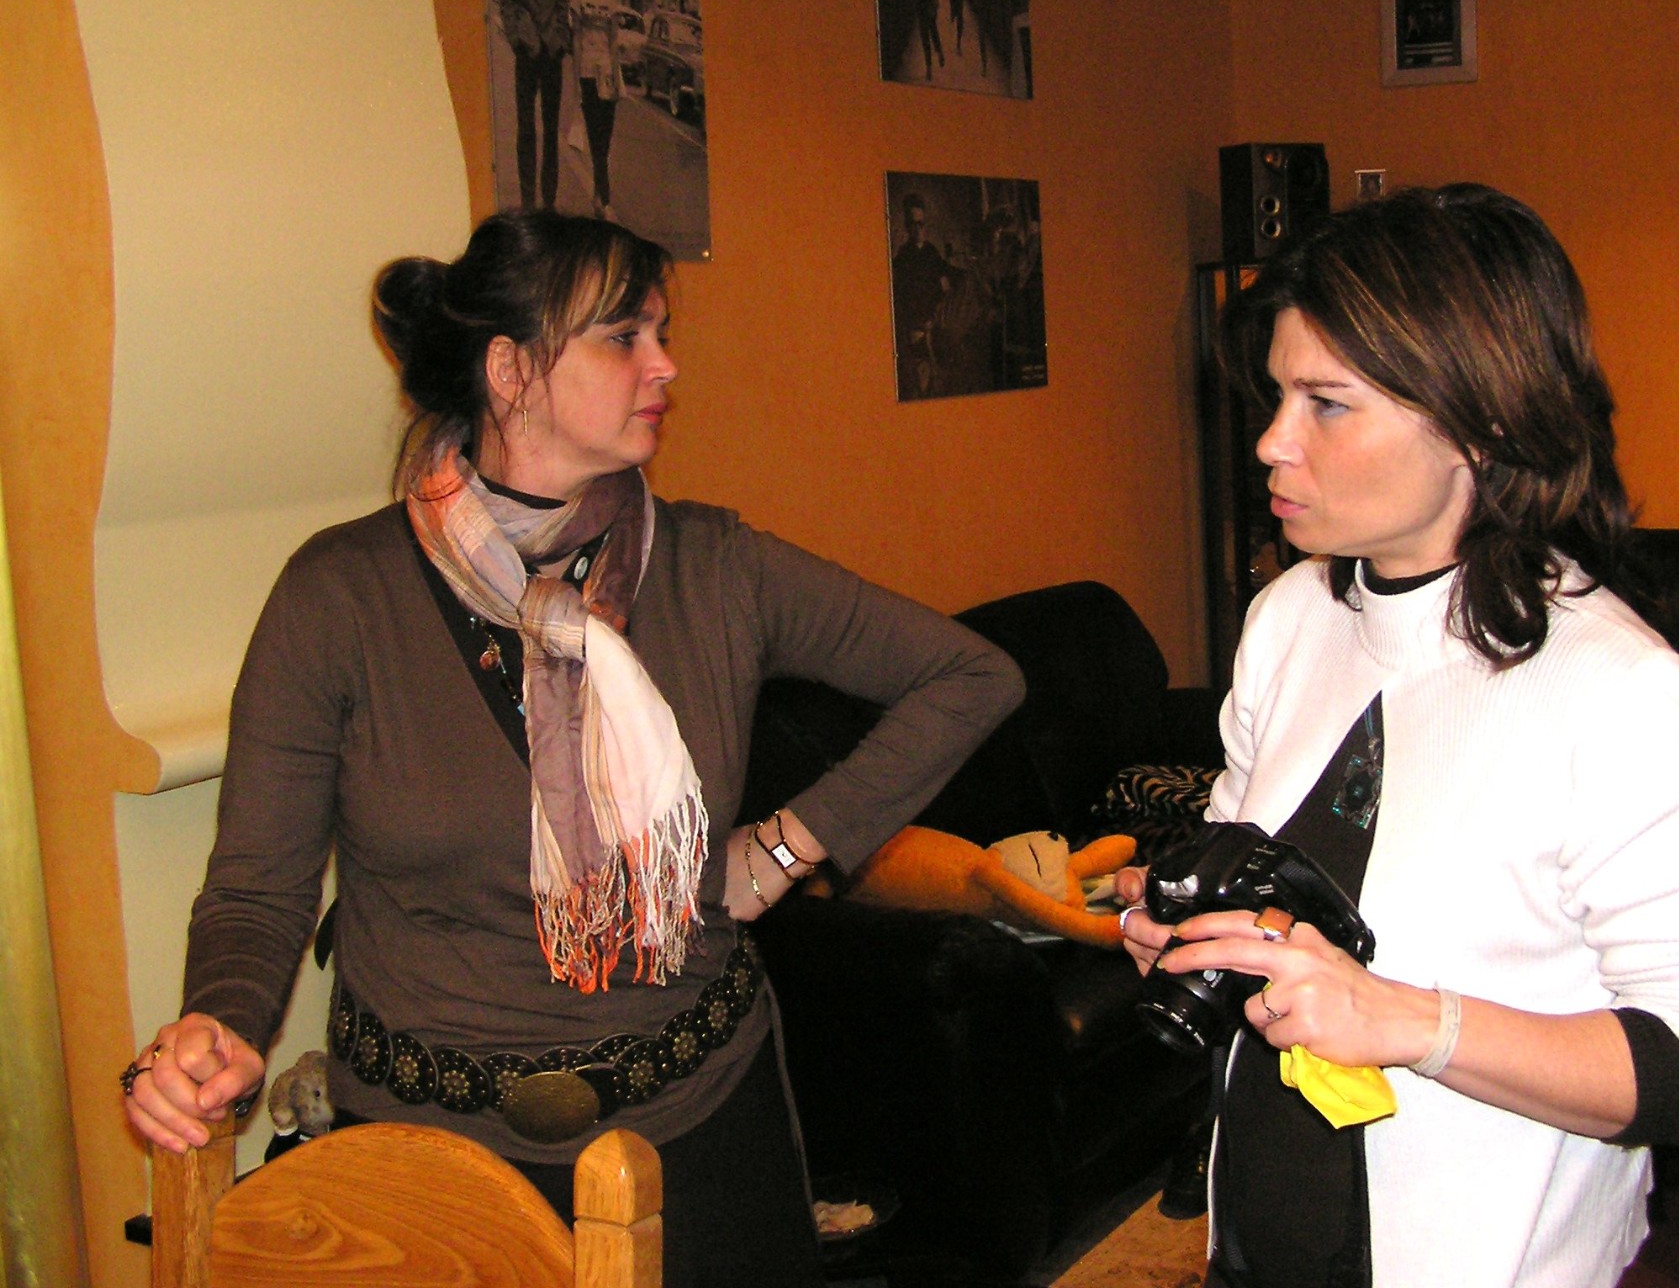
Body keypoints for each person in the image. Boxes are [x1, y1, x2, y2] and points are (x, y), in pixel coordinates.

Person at [122, 211, 1026, 1288]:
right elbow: (256, 888)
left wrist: (787, 848)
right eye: (624, 336)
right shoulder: (340, 596)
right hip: (428, 1161)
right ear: (510, 371)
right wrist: (221, 1020)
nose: (665, 364)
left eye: (661, 333)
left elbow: (971, 676)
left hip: (699, 1130)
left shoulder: (718, 568)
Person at [1117, 185, 1679, 1288]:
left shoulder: (1622, 699)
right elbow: (1246, 861)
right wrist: (1189, 928)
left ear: (1481, 421)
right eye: (1277, 395)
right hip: (1264, 1229)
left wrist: (1415, 1025)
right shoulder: (1289, 617)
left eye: (1326, 404)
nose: (1271, 442)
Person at [498, 0, 573, 209]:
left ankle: (549, 202)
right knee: (526, 127)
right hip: (527, 51)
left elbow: (563, 3)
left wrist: (561, 40)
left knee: (551, 129)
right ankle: (528, 200)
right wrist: (517, 39)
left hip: (551, 52)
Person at [569, 0, 624, 219]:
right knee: (595, 137)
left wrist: (615, 74)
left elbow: (613, 39)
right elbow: (577, 38)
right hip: (588, 73)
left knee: (606, 137)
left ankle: (598, 196)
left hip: (607, 74)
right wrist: (576, 80)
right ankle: (606, 200)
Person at [891, 192, 951, 398]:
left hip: (937, 320)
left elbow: (945, 287)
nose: (917, 229)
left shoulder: (932, 252)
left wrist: (938, 314)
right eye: (913, 224)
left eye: (921, 224)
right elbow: (901, 299)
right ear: (907, 226)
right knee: (920, 375)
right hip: (916, 324)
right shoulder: (902, 258)